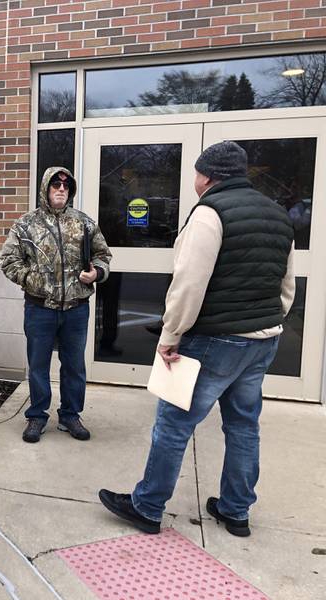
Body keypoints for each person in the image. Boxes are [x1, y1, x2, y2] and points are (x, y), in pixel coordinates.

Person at [99, 141, 295, 537]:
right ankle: (236, 510)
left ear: (206, 176)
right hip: (261, 341)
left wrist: (170, 335)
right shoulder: (277, 214)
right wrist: (267, 323)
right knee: (243, 426)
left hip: (213, 341)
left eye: (196, 173)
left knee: (173, 425)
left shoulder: (209, 213)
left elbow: (189, 283)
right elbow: (286, 284)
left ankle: (147, 506)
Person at [1, 166, 112, 443]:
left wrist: (96, 273)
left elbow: (103, 255)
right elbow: (8, 261)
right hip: (40, 308)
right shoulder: (26, 224)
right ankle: (37, 416)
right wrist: (32, 279)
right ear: (45, 189)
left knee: (74, 365)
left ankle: (70, 415)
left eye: (65, 185)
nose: (61, 189)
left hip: (76, 308)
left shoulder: (84, 223)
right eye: (55, 184)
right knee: (38, 365)